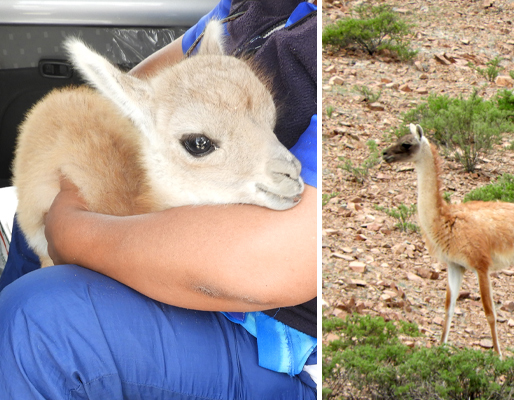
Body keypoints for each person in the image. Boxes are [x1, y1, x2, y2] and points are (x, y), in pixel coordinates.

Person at [0, 1, 319, 398]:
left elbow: (275, 263)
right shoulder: (258, 6)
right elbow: (161, 82)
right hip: (201, 219)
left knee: (40, 327)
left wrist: (72, 231)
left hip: (268, 330)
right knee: (45, 193)